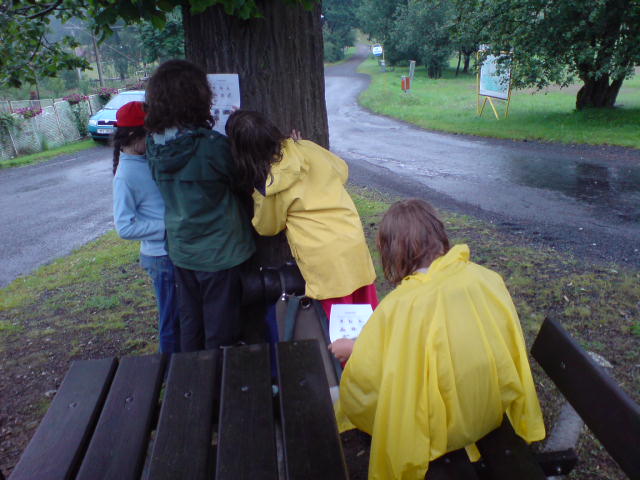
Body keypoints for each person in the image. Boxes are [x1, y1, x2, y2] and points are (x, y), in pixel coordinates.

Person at [334, 199, 545, 480]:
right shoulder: (487, 279)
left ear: (392, 251)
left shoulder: (402, 305)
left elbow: (372, 379)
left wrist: (353, 350)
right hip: (488, 409)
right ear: (437, 233)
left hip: (441, 430)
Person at [145, 60, 255, 352]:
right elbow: (242, 182)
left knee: (191, 322)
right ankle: (218, 377)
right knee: (221, 328)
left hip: (182, 248)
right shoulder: (212, 146)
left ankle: (190, 376)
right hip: (220, 250)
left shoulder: (154, 146)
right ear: (198, 96)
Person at [225, 110, 378, 319]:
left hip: (324, 256)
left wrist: (257, 192)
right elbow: (341, 170)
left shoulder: (270, 184)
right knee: (368, 317)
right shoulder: (305, 148)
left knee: (339, 325)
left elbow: (266, 227)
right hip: (351, 240)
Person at [112, 101, 180, 354]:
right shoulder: (126, 175)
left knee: (181, 316)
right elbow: (124, 227)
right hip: (160, 257)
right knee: (171, 322)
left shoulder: (145, 160)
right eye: (149, 134)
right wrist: (168, 226)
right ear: (132, 135)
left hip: (172, 251)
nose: (154, 138)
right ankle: (171, 369)